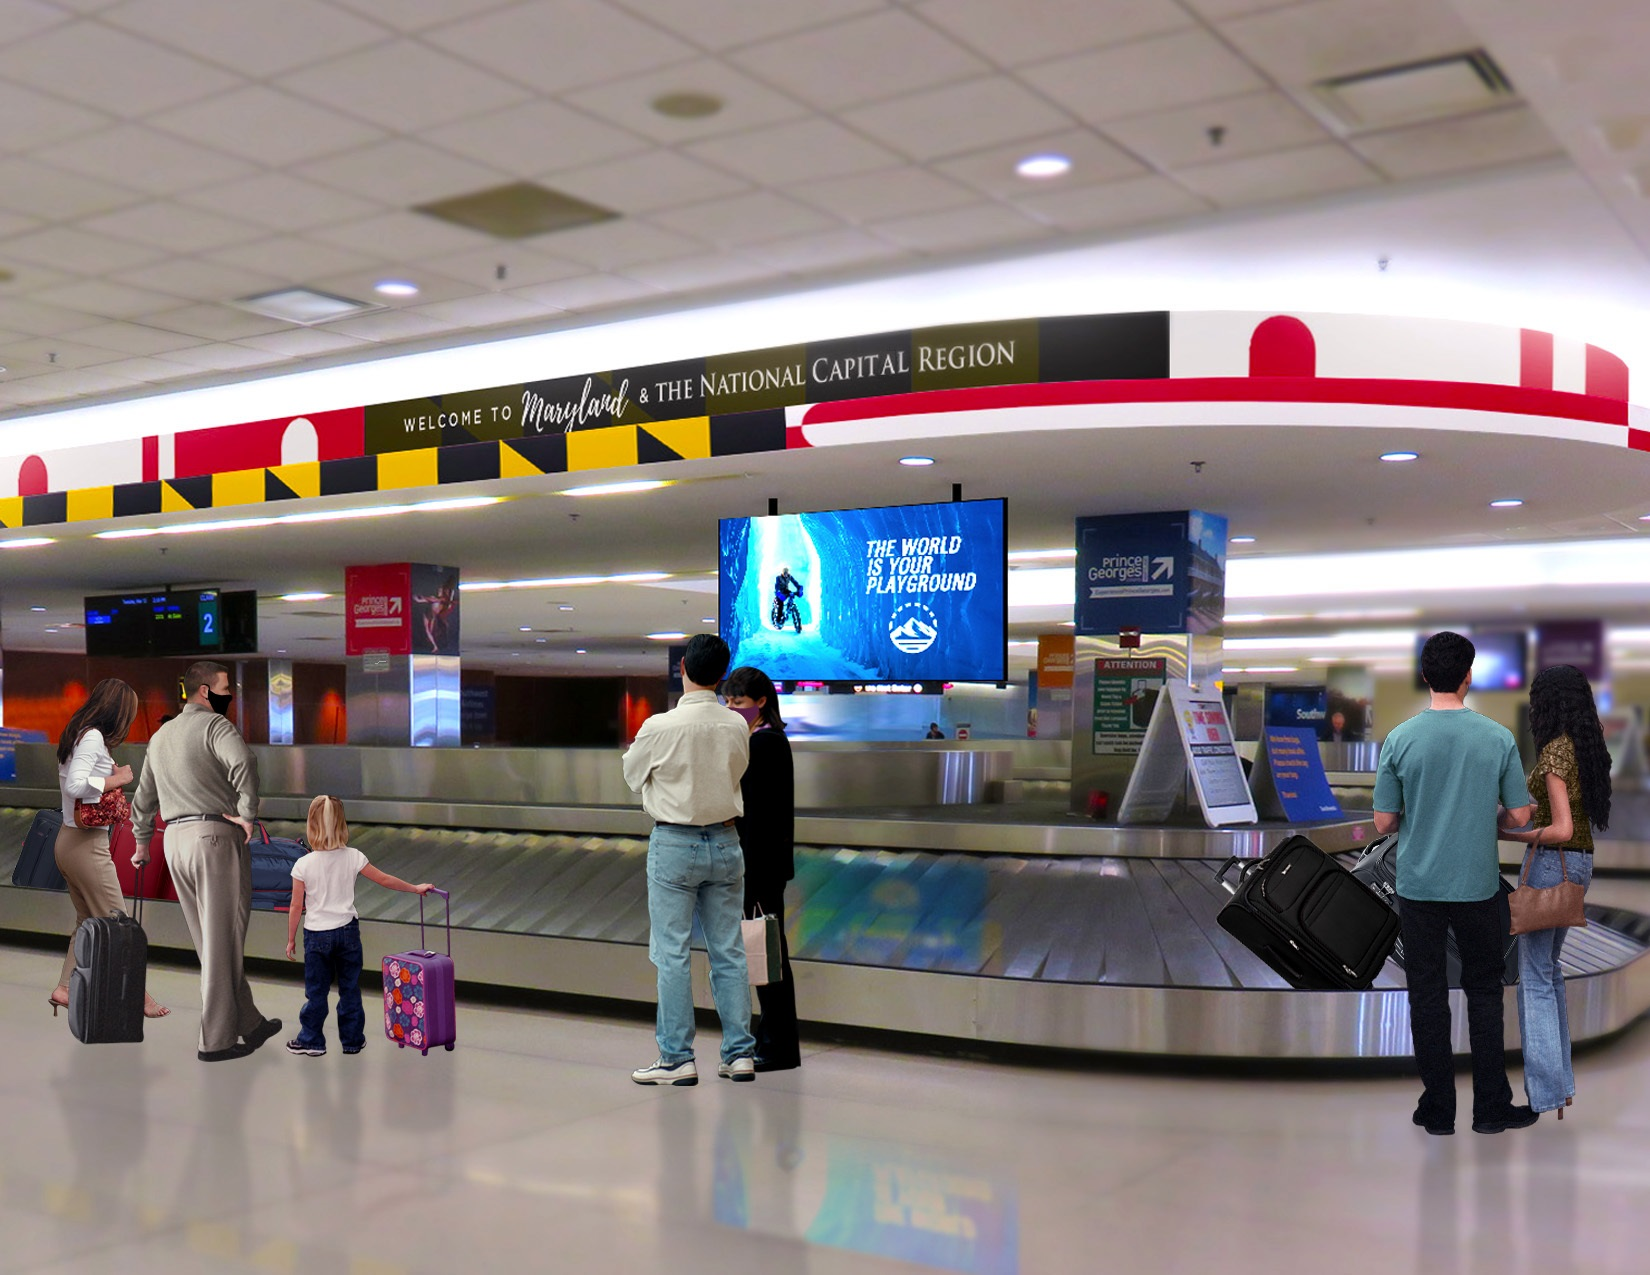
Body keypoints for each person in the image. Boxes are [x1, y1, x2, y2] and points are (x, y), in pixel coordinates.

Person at [1373, 631, 1536, 1136]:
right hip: (1479, 887)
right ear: (1469, 676)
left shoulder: (1401, 738)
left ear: (1425, 676)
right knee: (1485, 992)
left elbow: (1383, 823)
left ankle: (1438, 1109)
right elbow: (1522, 813)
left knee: (1426, 995)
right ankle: (1490, 1108)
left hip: (1418, 888)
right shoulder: (1496, 738)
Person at [622, 633, 756, 1086]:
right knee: (729, 952)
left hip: (675, 845)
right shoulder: (737, 725)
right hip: (726, 842)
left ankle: (677, 1058)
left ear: (682, 667)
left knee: (672, 954)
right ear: (722, 675)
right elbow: (738, 772)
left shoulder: (659, 727)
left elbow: (631, 775)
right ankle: (739, 1054)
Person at [130, 661, 280, 1062]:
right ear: (203, 692)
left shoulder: (161, 736)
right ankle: (214, 1041)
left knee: (212, 941)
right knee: (221, 940)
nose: (228, 694)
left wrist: (143, 843)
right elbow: (244, 763)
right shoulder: (216, 727)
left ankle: (248, 1022)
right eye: (225, 687)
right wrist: (248, 813)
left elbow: (143, 797)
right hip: (213, 839)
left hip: (174, 842)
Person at [1498, 664, 1613, 1119]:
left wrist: (1508, 836)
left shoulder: (1555, 753)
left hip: (1552, 864)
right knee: (1550, 971)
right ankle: (1560, 1088)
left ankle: (1545, 1093)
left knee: (1536, 977)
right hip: (1581, 866)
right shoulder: (1587, 749)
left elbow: (1561, 828)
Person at [49, 678, 169, 1020]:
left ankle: (66, 989)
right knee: (120, 926)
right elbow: (76, 784)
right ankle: (140, 998)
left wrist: (107, 773)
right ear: (117, 713)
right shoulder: (92, 737)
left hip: (69, 841)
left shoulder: (78, 734)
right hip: (86, 846)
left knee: (88, 919)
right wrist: (116, 780)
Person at [284, 795, 434, 1058]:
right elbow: (385, 880)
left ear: (312, 825)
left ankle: (312, 1041)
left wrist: (291, 940)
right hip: (347, 933)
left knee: (316, 992)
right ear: (342, 824)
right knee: (350, 989)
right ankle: (352, 1041)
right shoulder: (354, 856)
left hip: (317, 935)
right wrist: (415, 888)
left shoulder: (303, 864)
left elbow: (296, 907)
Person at [723, 666, 800, 1072]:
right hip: (764, 867)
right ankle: (773, 1039)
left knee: (767, 957)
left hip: (760, 869)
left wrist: (745, 871)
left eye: (740, 702)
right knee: (766, 954)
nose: (733, 709)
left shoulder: (766, 743)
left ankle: (778, 1045)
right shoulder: (763, 741)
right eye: (728, 702)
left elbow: (760, 818)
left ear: (762, 702)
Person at [771, 565, 803, 632]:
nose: (786, 574)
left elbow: (795, 582)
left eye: (786, 573)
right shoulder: (778, 578)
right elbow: (777, 586)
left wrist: (799, 587)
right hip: (780, 592)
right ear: (782, 573)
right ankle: (778, 620)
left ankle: (790, 608)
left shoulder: (789, 577)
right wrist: (778, 592)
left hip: (786, 590)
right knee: (780, 605)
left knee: (791, 595)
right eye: (784, 573)